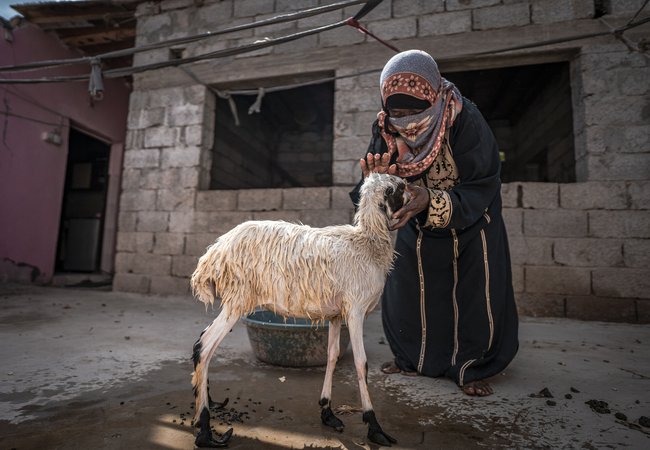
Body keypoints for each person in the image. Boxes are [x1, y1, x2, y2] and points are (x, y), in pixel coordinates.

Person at [350, 50, 519, 396]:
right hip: (418, 220)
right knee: (408, 291)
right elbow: (373, 194)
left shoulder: (463, 118)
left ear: (434, 97)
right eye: (398, 112)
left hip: (473, 220)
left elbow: (483, 182)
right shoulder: (385, 130)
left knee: (474, 296)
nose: (408, 122)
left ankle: (471, 367)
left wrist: (431, 199)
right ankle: (412, 358)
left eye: (416, 110)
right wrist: (376, 186)